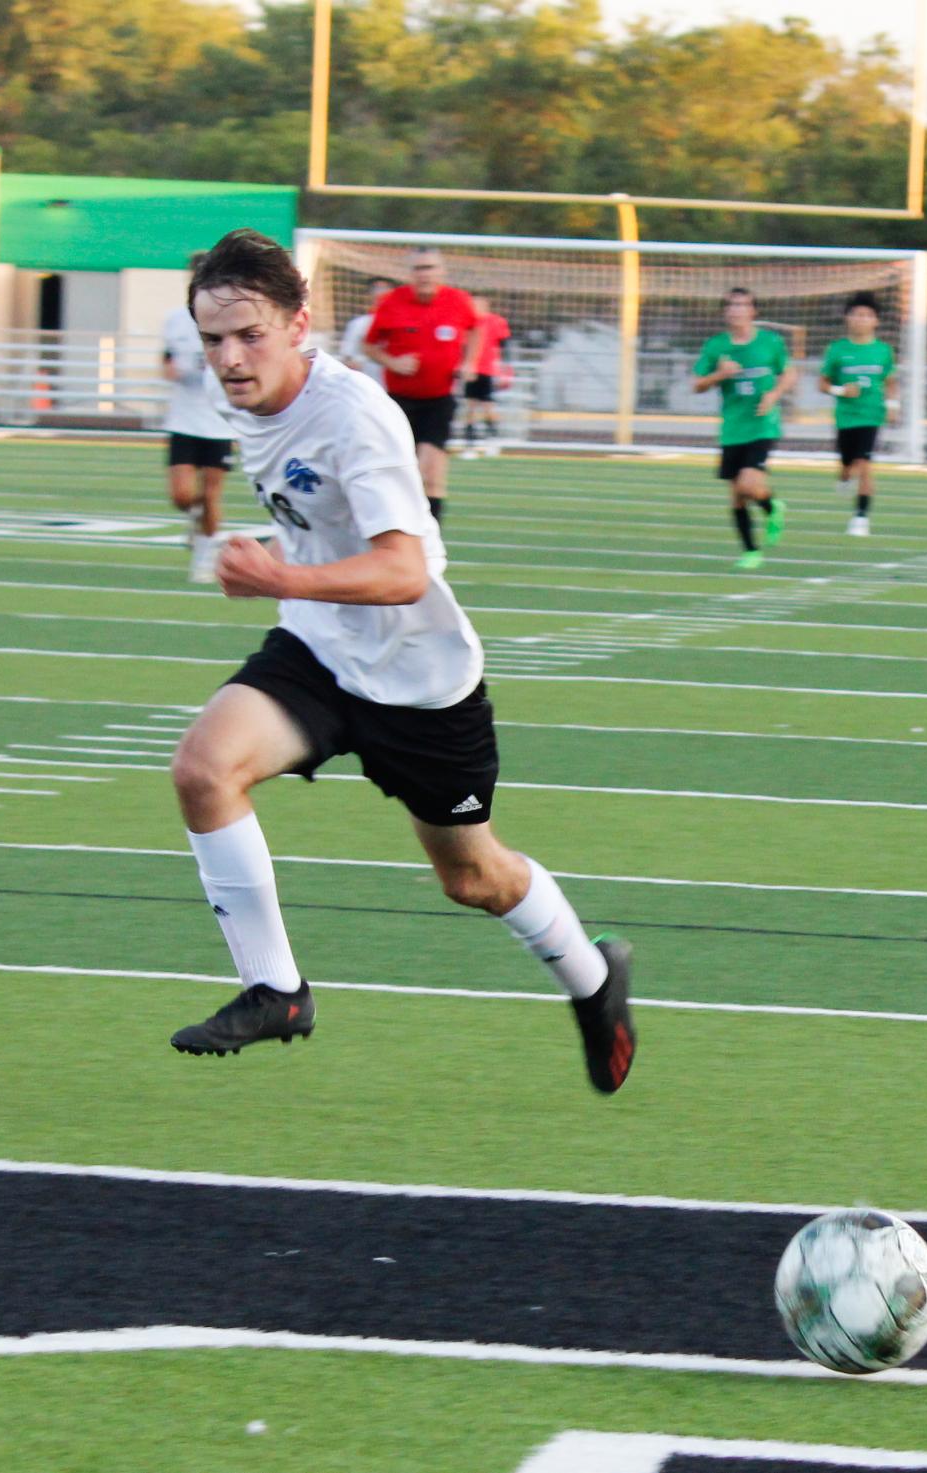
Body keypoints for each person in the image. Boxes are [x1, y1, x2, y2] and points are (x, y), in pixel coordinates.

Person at [166, 228, 634, 1096]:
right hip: (317, 647)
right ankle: (277, 989)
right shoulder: (244, 391)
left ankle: (595, 981)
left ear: (299, 324)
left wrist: (278, 570)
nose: (229, 358)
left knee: (473, 877)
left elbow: (405, 569)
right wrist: (289, 579)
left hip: (420, 683)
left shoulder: (354, 415)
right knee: (202, 770)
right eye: (213, 339)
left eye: (249, 336)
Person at [365, 248, 484, 523]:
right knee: (397, 472)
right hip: (399, 400)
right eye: (419, 268)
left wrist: (470, 362)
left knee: (432, 473)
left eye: (430, 267)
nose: (425, 274)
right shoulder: (392, 301)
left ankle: (430, 543)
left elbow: (476, 329)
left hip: (439, 399)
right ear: (410, 273)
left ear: (441, 271)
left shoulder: (457, 300)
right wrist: (393, 362)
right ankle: (395, 530)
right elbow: (369, 345)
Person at [692, 287, 795, 570]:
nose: (736, 310)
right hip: (732, 428)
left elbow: (788, 374)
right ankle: (751, 550)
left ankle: (773, 507)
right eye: (731, 306)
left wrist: (774, 396)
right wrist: (720, 374)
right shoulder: (716, 347)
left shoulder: (770, 343)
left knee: (749, 483)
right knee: (738, 495)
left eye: (742, 305)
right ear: (725, 312)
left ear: (754, 311)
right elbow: (697, 384)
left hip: (762, 425)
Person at [160, 255, 237, 583]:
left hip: (219, 419)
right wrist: (174, 371)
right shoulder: (176, 320)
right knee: (182, 495)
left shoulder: (228, 318)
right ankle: (193, 518)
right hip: (184, 418)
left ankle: (204, 559)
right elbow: (165, 361)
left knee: (211, 494)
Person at [819, 291, 897, 536]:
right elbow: (822, 383)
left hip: (872, 415)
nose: (861, 319)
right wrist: (841, 389)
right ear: (847, 318)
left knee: (864, 463)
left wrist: (893, 406)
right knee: (847, 464)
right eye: (856, 315)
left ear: (876, 321)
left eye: (867, 315)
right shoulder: (837, 349)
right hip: (846, 417)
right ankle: (844, 478)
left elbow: (891, 381)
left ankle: (861, 516)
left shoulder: (883, 350)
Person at [461, 292, 512, 455]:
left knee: (488, 407)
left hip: (487, 370)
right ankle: (469, 445)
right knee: (470, 408)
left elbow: (505, 344)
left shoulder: (495, 321)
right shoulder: (466, 323)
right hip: (471, 371)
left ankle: (492, 441)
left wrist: (504, 367)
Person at [339, 277, 395, 386]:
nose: (381, 293)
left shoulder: (402, 324)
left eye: (385, 289)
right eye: (377, 289)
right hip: (368, 384)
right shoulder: (358, 324)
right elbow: (347, 357)